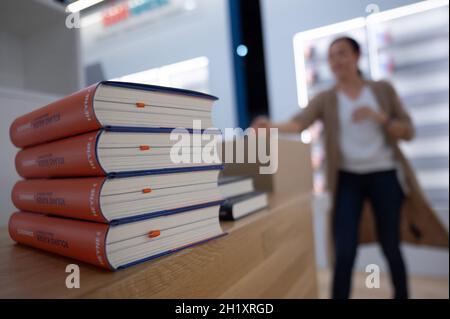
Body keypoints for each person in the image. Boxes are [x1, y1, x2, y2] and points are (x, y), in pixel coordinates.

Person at [251, 36, 448, 299]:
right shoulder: (326, 99)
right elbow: (299, 124)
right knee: (344, 250)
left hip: (384, 177)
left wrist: (376, 116)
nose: (336, 61)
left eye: (342, 53)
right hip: (347, 181)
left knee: (391, 244)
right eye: (331, 57)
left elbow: (407, 131)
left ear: (356, 56)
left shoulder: (381, 90)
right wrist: (269, 126)